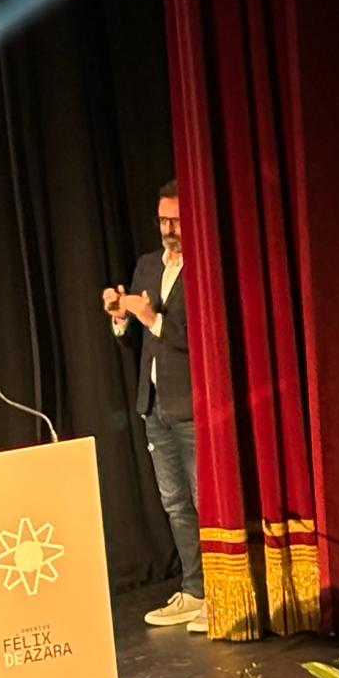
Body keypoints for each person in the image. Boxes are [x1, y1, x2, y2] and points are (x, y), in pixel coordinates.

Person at [103, 178, 207, 633]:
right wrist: (122, 321)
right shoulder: (148, 265)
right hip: (154, 405)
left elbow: (201, 338)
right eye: (164, 220)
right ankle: (194, 590)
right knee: (175, 503)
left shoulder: (203, 267)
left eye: (177, 220)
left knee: (206, 501)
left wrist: (153, 318)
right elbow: (138, 344)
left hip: (191, 405)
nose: (169, 229)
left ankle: (221, 592)